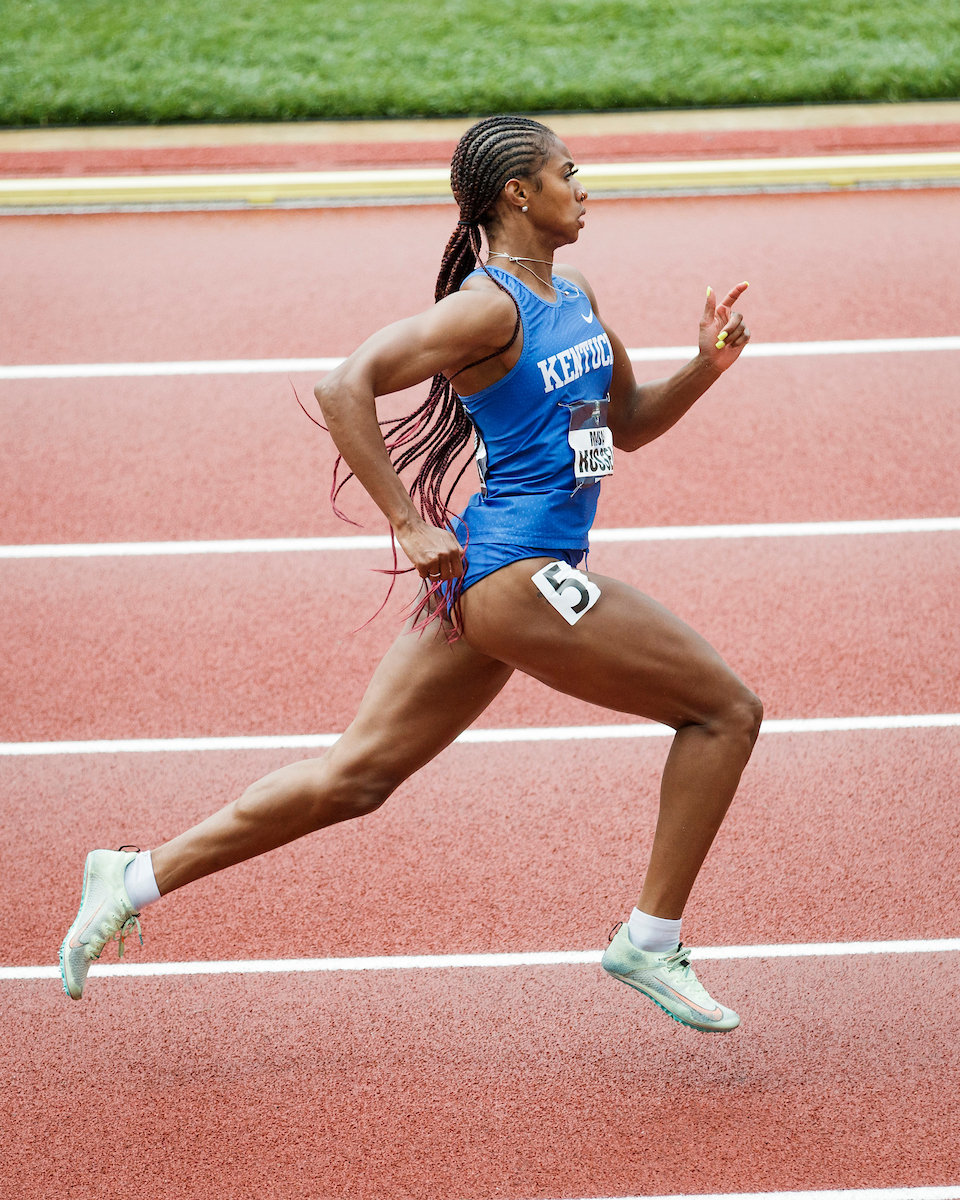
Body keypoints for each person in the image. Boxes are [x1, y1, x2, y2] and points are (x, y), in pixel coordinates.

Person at [60, 114, 759, 1033]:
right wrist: (405, 520)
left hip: (498, 577)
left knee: (356, 777)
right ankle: (648, 937)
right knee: (725, 712)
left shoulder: (575, 293)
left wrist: (706, 366)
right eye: (569, 172)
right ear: (520, 193)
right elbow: (344, 384)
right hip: (516, 572)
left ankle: (134, 875)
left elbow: (624, 421)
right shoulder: (488, 309)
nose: (585, 187)